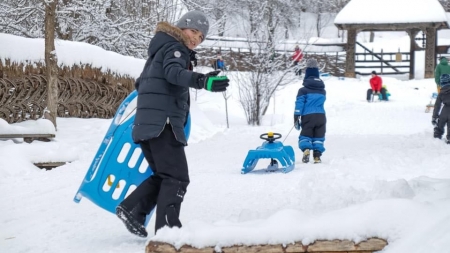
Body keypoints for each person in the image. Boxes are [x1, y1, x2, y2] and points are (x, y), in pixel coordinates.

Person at [115, 10, 229, 237]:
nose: (196, 38)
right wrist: (202, 80)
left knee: (165, 175)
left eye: (201, 37)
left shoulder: (160, 50)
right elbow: (173, 74)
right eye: (194, 31)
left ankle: (134, 211)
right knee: (177, 178)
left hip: (149, 126)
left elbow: (143, 84)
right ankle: (169, 232)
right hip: (162, 125)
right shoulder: (175, 48)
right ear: (182, 27)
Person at [293, 58, 326, 164]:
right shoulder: (322, 91)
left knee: (306, 135)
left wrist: (296, 115)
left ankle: (306, 149)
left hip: (308, 116)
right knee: (318, 136)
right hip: (321, 116)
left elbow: (299, 103)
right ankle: (317, 156)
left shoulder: (303, 90)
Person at [432, 74, 450, 143]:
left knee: (440, 124)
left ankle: (437, 136)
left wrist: (434, 117)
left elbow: (437, 106)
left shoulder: (441, 93)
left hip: (444, 111)